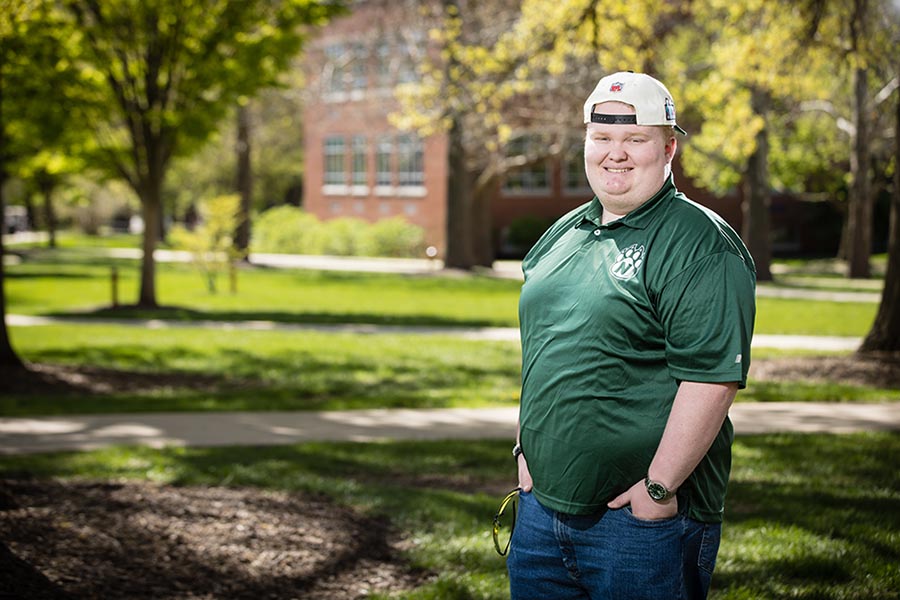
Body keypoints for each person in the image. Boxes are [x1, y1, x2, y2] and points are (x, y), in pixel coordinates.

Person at [507, 71, 756, 600]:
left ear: (668, 149)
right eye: (602, 137)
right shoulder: (565, 231)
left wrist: (658, 488)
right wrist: (525, 454)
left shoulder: (699, 244)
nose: (615, 154)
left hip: (641, 527)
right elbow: (545, 350)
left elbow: (712, 379)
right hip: (539, 513)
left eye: (635, 139)